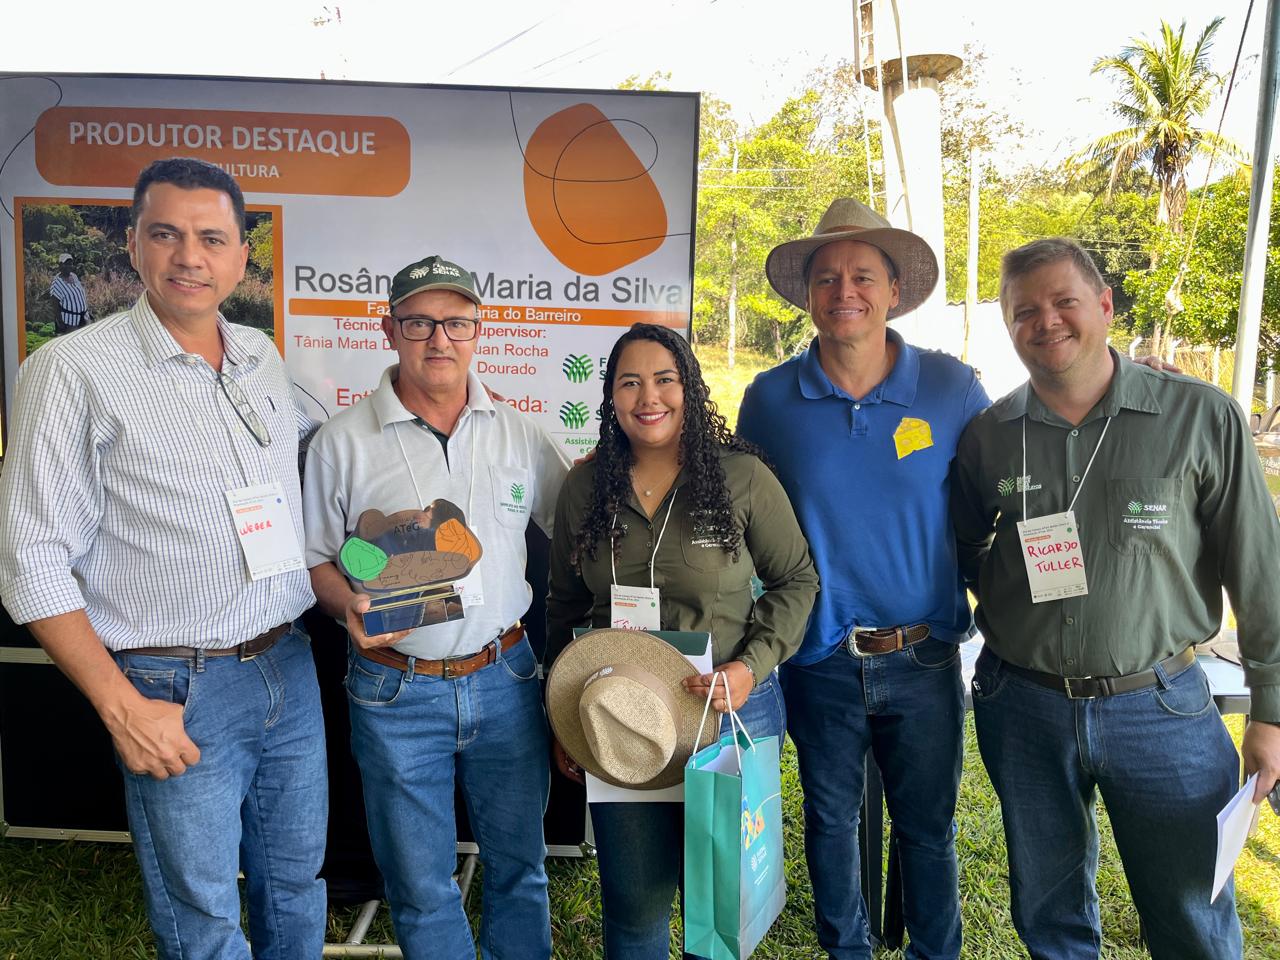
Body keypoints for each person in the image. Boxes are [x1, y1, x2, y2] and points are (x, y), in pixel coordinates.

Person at [0, 158, 326, 959]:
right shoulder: (71, 370)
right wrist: (121, 707)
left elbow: (301, 468)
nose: (189, 257)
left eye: (211, 238)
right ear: (133, 246)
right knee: (203, 916)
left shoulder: (258, 354)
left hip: (287, 665)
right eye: (166, 234)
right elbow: (29, 560)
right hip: (173, 685)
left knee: (296, 885)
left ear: (240, 257)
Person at [950, 237, 1280, 960]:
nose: (1046, 321)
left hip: (1160, 707)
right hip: (1024, 705)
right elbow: (967, 545)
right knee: (1049, 910)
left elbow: (1260, 569)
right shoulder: (990, 435)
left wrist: (1272, 710)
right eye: (1024, 311)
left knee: (1193, 911)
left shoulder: (1199, 416)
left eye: (1064, 301)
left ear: (1103, 305)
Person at [736, 197, 987, 960]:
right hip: (818, 656)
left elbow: (1009, 484)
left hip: (925, 654)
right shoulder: (769, 399)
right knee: (830, 821)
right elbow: (733, 505)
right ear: (808, 295)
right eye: (827, 278)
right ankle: (845, 950)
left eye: (863, 276)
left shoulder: (951, 388)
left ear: (894, 291)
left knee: (928, 829)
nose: (845, 291)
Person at [303, 254, 570, 959]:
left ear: (480, 330)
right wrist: (346, 606)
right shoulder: (342, 442)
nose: (439, 339)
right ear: (389, 330)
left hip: (506, 676)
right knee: (419, 883)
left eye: (457, 322)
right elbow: (314, 560)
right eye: (419, 322)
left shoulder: (518, 433)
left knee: (520, 867)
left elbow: (577, 529)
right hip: (396, 688)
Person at [545, 322, 819, 959]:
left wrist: (751, 667)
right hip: (619, 716)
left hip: (726, 713)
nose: (649, 397)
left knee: (718, 909)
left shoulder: (741, 478)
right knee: (634, 907)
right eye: (629, 383)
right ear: (610, 397)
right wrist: (562, 717)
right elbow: (565, 604)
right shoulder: (586, 487)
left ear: (689, 388)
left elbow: (797, 580)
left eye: (664, 380)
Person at [49, 252, 91, 334]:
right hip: (70, 323)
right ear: (60, 265)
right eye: (66, 264)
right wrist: (61, 324)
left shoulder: (74, 276)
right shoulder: (57, 283)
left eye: (70, 264)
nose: (69, 266)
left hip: (84, 319)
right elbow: (55, 306)